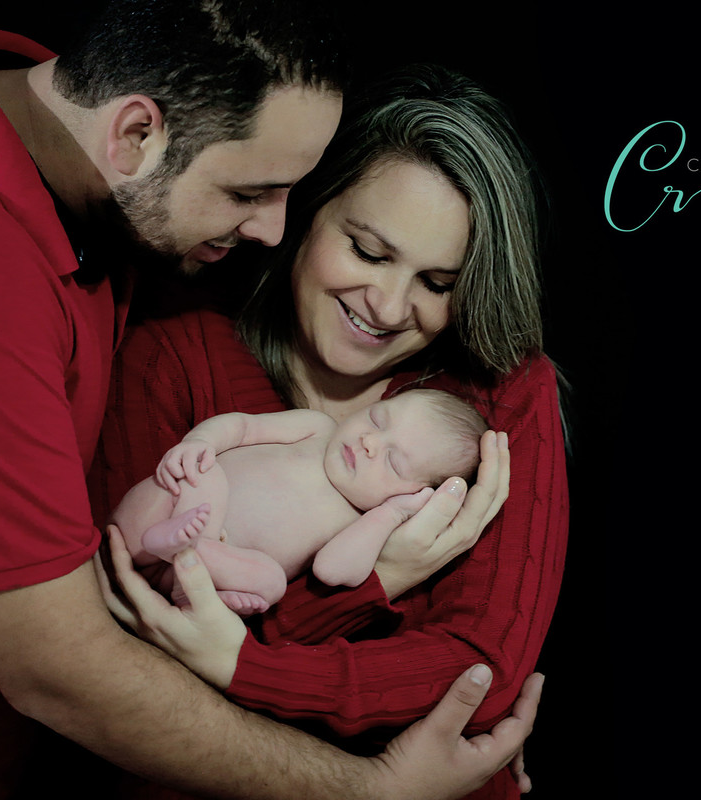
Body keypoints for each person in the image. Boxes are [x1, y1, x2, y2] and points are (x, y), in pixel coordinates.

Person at [0, 2, 542, 797]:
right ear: (133, 134)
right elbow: (66, 666)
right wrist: (370, 789)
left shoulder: (85, 189)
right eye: (251, 191)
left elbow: (481, 663)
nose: (273, 230)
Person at [90, 63, 568, 799]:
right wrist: (383, 583)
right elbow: (122, 661)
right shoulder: (175, 357)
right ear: (306, 209)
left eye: (438, 284)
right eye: (368, 252)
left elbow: (481, 678)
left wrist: (247, 667)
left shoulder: (496, 400)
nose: (388, 306)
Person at [111, 388, 488, 614]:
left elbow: (332, 570)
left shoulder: (362, 521)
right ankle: (176, 543)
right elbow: (243, 426)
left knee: (272, 584)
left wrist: (392, 514)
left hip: (194, 573)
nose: (370, 442)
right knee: (207, 474)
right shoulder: (317, 428)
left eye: (393, 462)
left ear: (416, 496)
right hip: (157, 515)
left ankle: (190, 572)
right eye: (377, 420)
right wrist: (200, 442)